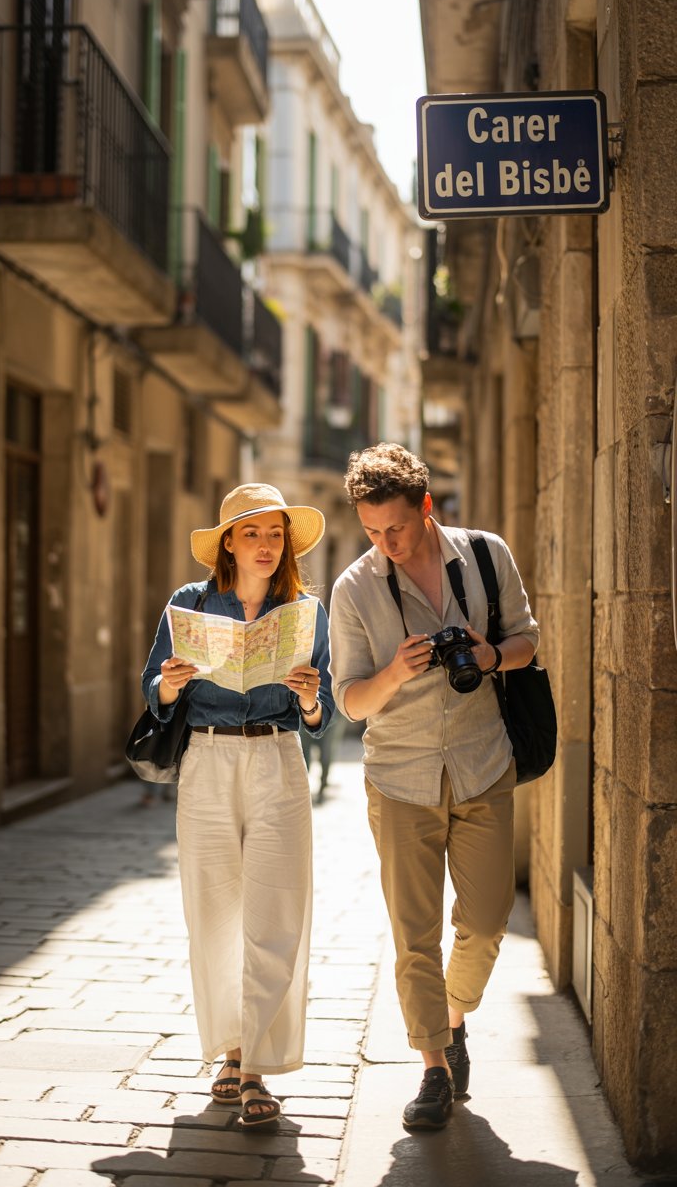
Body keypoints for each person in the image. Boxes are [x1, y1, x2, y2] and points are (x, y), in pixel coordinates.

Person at [329, 443, 539, 1132]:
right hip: (400, 780)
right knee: (413, 935)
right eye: (370, 533)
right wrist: (393, 672)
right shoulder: (356, 588)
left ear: (426, 507)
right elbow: (351, 703)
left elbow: (527, 642)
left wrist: (488, 655)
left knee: (483, 922)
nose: (384, 544)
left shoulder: (484, 556)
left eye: (394, 528)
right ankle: (432, 1070)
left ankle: (453, 1020)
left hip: (483, 763)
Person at [141, 483, 334, 1129]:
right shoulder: (189, 604)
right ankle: (232, 1055)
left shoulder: (305, 610)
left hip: (278, 759)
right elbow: (154, 693)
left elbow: (320, 713)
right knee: (215, 912)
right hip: (209, 758)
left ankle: (259, 1071)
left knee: (278, 912)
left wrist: (308, 699)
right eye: (251, 533)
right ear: (228, 542)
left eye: (275, 534)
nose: (265, 545)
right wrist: (168, 686)